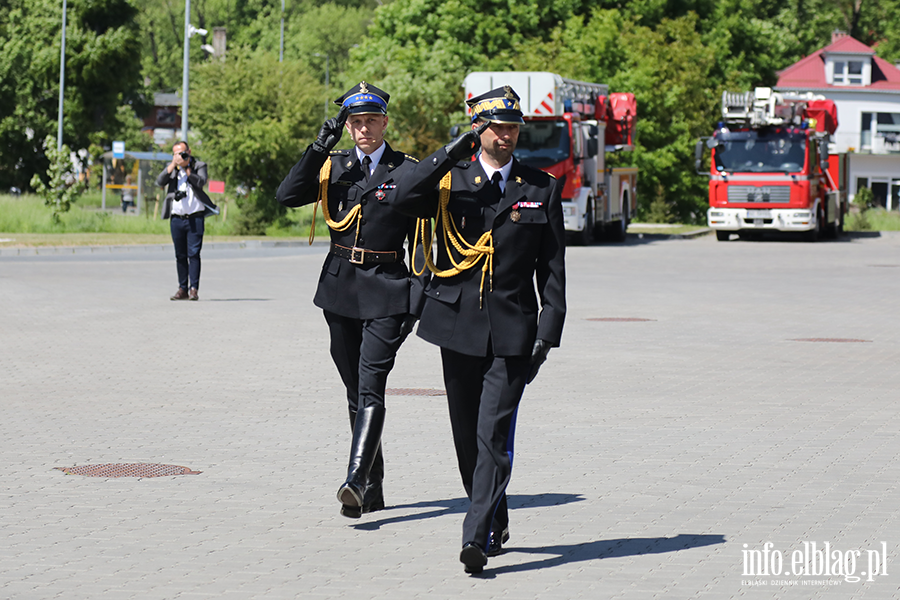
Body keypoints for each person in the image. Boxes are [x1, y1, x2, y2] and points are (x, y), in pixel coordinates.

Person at [390, 85, 566, 574]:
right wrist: (449, 153)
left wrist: (547, 335)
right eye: (497, 127)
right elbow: (402, 196)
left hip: (513, 330)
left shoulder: (540, 188)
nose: (507, 135)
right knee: (466, 437)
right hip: (456, 326)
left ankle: (476, 536)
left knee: (492, 433)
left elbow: (552, 272)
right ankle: (495, 511)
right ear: (478, 129)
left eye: (513, 128)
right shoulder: (450, 181)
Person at [276, 82, 426, 519]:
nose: (363, 129)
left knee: (371, 384)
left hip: (387, 289)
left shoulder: (406, 169)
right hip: (341, 288)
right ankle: (374, 486)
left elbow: (431, 229)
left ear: (384, 122)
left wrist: (418, 294)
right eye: (355, 122)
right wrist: (319, 147)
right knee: (353, 389)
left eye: (370, 120)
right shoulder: (333, 166)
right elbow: (287, 196)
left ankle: (355, 478)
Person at [156, 141, 219, 301]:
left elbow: (201, 182)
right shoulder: (172, 169)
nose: (179, 157)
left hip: (195, 218)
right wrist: (172, 165)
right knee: (180, 255)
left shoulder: (198, 165)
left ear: (189, 152)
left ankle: (194, 289)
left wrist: (187, 170)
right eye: (176, 154)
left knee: (194, 254)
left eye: (182, 153)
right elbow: (159, 182)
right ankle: (182, 288)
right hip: (177, 218)